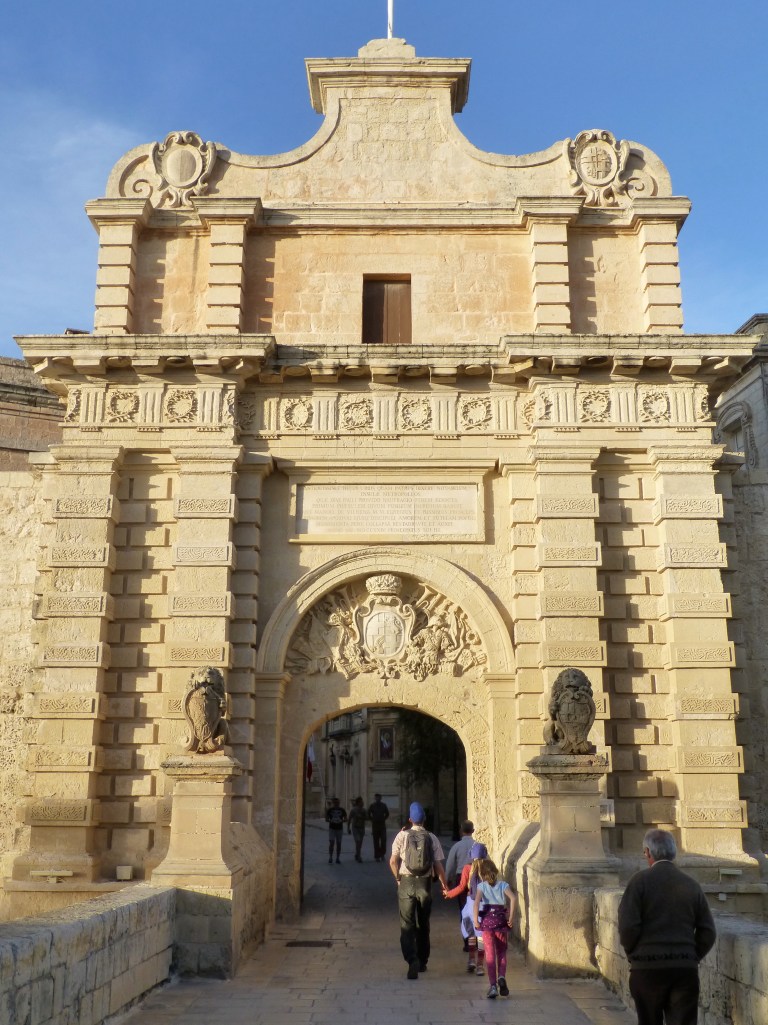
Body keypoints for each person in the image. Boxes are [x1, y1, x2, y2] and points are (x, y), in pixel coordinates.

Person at [618, 828, 716, 1025]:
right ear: (674, 852)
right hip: (684, 970)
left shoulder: (638, 883)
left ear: (647, 852)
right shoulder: (691, 885)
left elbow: (628, 927)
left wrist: (635, 955)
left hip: (647, 969)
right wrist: (691, 955)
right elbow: (708, 931)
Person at [389, 801, 447, 979]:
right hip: (425, 884)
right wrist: (445, 884)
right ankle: (422, 961)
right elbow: (438, 864)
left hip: (406, 882)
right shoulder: (431, 837)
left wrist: (398, 878)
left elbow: (392, 861)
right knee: (423, 924)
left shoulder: (402, 836)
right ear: (424, 820)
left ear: (410, 819)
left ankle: (411, 959)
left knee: (407, 924)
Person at [473, 857, 515, 999]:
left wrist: (476, 921)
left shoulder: (481, 887)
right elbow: (513, 898)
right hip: (501, 922)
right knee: (502, 952)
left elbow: (476, 903)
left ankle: (492, 986)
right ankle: (501, 976)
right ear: (495, 872)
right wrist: (510, 918)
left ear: (482, 874)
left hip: (487, 923)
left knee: (490, 955)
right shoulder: (503, 885)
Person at [443, 841, 488, 974]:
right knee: (481, 936)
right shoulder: (488, 868)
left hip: (470, 904)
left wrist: (448, 894)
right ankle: (480, 965)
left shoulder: (467, 868)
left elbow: (462, 887)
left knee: (471, 935)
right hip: (483, 906)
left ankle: (471, 960)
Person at [368, 793, 390, 862]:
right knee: (376, 841)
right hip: (375, 826)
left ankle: (382, 854)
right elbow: (368, 813)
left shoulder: (383, 805)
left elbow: (387, 813)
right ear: (375, 798)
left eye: (378, 797)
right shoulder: (372, 806)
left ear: (380, 798)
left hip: (382, 825)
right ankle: (377, 856)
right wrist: (372, 819)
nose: (377, 799)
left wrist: (384, 818)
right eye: (376, 797)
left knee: (383, 840)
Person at [325, 797, 347, 864]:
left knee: (339, 843)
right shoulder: (330, 810)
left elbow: (346, 818)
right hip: (332, 828)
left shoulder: (342, 810)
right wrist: (331, 820)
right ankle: (330, 857)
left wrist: (341, 820)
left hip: (339, 828)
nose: (336, 804)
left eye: (337, 802)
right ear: (333, 803)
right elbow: (326, 819)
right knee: (331, 843)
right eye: (335, 803)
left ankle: (337, 858)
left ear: (339, 803)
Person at [348, 796, 367, 862]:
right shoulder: (353, 810)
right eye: (361, 802)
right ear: (358, 803)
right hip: (355, 828)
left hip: (362, 828)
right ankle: (359, 856)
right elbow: (349, 819)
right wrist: (348, 828)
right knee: (358, 841)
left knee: (360, 843)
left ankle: (357, 853)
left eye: (362, 802)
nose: (362, 803)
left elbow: (367, 818)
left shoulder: (364, 810)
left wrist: (363, 817)